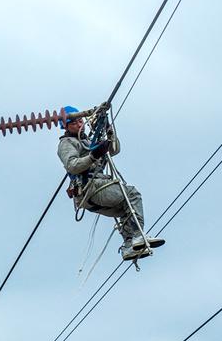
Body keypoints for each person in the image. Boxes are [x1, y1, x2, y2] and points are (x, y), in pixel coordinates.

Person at [57, 105, 164, 261]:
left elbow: (113, 149)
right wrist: (93, 156)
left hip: (95, 190)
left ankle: (129, 246)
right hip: (90, 187)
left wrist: (108, 130)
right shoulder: (67, 143)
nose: (79, 125)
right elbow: (72, 166)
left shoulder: (89, 141)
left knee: (126, 208)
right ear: (65, 126)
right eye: (74, 123)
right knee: (132, 195)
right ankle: (138, 236)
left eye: (80, 121)